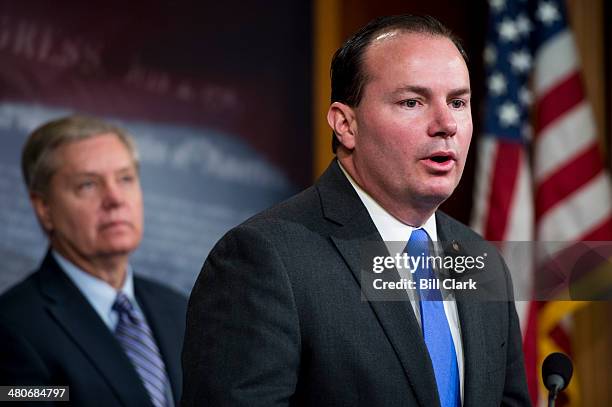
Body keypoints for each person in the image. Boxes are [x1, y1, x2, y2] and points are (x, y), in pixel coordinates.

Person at [181, 15, 531, 407]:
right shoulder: (265, 259)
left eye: (458, 102)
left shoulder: (481, 260)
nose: (446, 124)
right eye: (412, 101)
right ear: (346, 124)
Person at [0, 115, 187, 407]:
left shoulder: (178, 309)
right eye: (87, 185)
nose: (114, 199)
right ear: (44, 208)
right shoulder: (11, 327)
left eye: (125, 179)